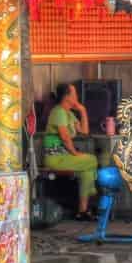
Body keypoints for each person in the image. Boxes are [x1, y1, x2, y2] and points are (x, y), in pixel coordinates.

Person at [44, 83, 97, 219]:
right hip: (55, 158)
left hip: (64, 156)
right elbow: (65, 137)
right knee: (91, 160)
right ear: (67, 97)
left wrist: (83, 111)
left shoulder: (69, 114)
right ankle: (92, 192)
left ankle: (82, 211)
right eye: (74, 94)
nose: (77, 96)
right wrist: (75, 153)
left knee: (87, 170)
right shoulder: (58, 112)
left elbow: (84, 131)